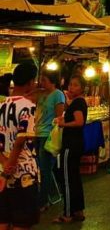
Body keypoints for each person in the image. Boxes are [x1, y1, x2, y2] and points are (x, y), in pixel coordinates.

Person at [0, 61, 40, 229]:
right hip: (23, 174)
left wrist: (3, 163)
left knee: (2, 221)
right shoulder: (28, 107)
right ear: (31, 82)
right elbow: (21, 138)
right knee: (21, 223)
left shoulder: (1, 105)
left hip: (1, 174)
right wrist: (10, 165)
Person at [55, 75, 88, 223]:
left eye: (75, 85)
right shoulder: (76, 102)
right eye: (70, 84)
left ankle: (68, 213)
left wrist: (64, 125)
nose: (71, 87)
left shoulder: (78, 103)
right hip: (76, 144)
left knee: (67, 179)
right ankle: (78, 211)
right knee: (74, 178)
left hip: (71, 145)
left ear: (82, 88)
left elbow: (79, 122)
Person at [36, 69, 66, 211]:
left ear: (52, 81)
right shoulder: (42, 94)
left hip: (47, 135)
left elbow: (59, 117)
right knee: (41, 168)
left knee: (45, 169)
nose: (41, 82)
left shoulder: (58, 95)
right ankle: (49, 196)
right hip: (37, 133)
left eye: (44, 80)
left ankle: (43, 201)